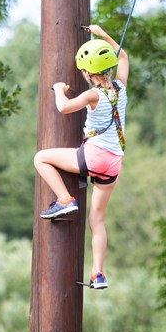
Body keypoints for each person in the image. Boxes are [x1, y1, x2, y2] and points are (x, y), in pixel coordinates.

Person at [33, 25, 128, 290]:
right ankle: (98, 274)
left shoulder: (92, 94)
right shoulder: (121, 87)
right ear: (108, 68)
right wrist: (103, 34)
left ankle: (65, 199)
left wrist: (58, 88)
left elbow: (63, 108)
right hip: (113, 163)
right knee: (97, 219)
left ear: (87, 73)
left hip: (92, 157)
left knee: (41, 158)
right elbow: (124, 57)